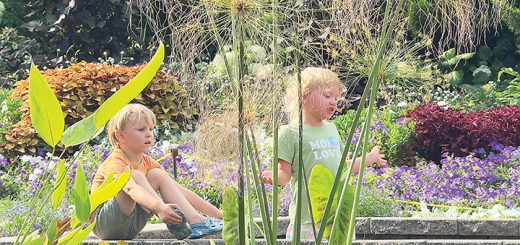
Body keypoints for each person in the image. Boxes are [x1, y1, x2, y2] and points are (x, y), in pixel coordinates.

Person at [261, 67, 387, 240]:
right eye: (327, 96)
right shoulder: (289, 133)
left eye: (336, 98)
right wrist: (271, 176)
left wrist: (369, 158)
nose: (334, 102)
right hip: (307, 220)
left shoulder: (332, 130)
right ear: (304, 96)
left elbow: (342, 168)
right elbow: (284, 175)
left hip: (337, 216)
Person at [91, 103, 223, 240]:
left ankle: (196, 221)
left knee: (157, 175)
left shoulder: (148, 162)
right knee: (135, 176)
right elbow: (131, 188)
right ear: (121, 137)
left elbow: (177, 189)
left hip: (131, 226)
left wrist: (218, 214)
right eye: (141, 129)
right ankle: (181, 218)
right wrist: (160, 208)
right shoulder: (116, 161)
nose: (149, 134)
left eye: (151, 129)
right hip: (105, 225)